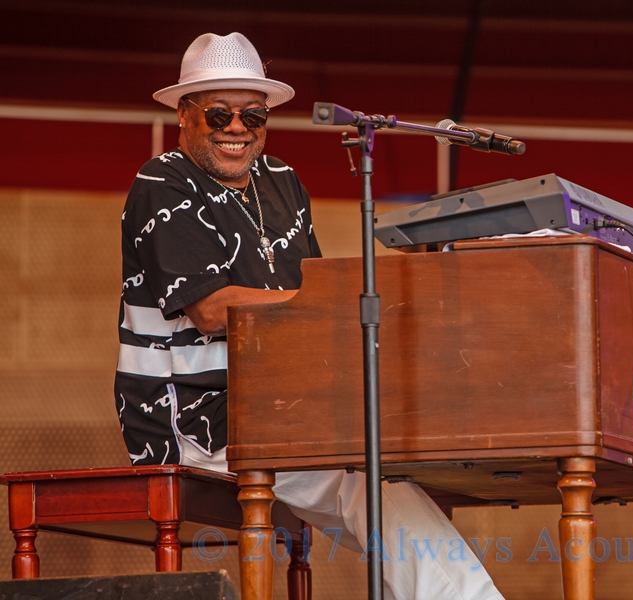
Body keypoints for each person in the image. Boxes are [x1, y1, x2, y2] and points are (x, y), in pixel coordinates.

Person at [115, 32, 505, 600]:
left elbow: (312, 303)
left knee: (398, 459)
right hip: (197, 417)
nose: (237, 127)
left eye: (254, 115)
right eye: (219, 113)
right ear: (184, 113)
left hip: (282, 405)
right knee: (369, 477)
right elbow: (211, 309)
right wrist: (346, 305)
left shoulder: (282, 182)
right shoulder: (162, 181)